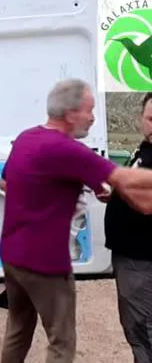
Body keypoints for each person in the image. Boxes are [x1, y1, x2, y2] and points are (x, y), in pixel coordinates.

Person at [0, 79, 152, 363]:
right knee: (61, 342)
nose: (93, 117)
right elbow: (125, 178)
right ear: (70, 114)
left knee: (18, 330)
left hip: (12, 257)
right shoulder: (68, 150)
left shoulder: (27, 138)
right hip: (45, 265)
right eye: (89, 110)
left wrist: (55, 191)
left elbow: (5, 183)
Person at [104, 92, 152, 363]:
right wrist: (115, 192)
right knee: (136, 328)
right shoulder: (143, 151)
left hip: (142, 259)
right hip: (131, 257)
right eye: (151, 118)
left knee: (144, 329)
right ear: (141, 119)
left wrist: (121, 190)